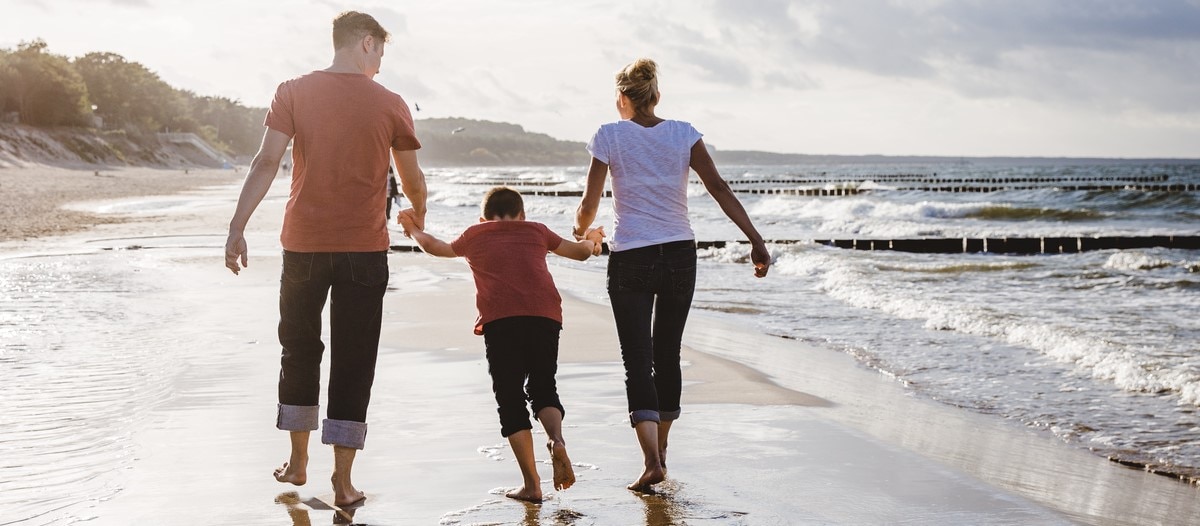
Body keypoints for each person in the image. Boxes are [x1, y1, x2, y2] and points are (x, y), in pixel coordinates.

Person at [223, 11, 427, 507]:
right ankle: (342, 480)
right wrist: (417, 216)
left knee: (298, 348)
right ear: (365, 43)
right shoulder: (391, 103)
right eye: (380, 50)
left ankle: (297, 461)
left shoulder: (292, 91)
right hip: (363, 249)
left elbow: (267, 161)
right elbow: (412, 175)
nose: (380, 61)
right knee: (355, 360)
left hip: (303, 245)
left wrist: (237, 227)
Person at [573, 58, 771, 492]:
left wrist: (580, 229)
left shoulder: (608, 135)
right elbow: (719, 189)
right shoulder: (684, 133)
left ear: (621, 99)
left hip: (632, 257)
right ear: (656, 96)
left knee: (637, 360)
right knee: (668, 354)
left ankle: (650, 462)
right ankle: (661, 451)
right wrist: (755, 239)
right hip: (680, 254)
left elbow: (590, 202)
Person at [397, 187, 605, 503]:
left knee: (509, 397)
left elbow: (436, 247)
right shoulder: (537, 231)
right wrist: (592, 238)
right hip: (544, 316)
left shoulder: (475, 234)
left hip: (501, 320)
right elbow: (580, 252)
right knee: (543, 387)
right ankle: (557, 440)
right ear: (522, 215)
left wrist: (412, 229)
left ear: (483, 218)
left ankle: (532, 485)